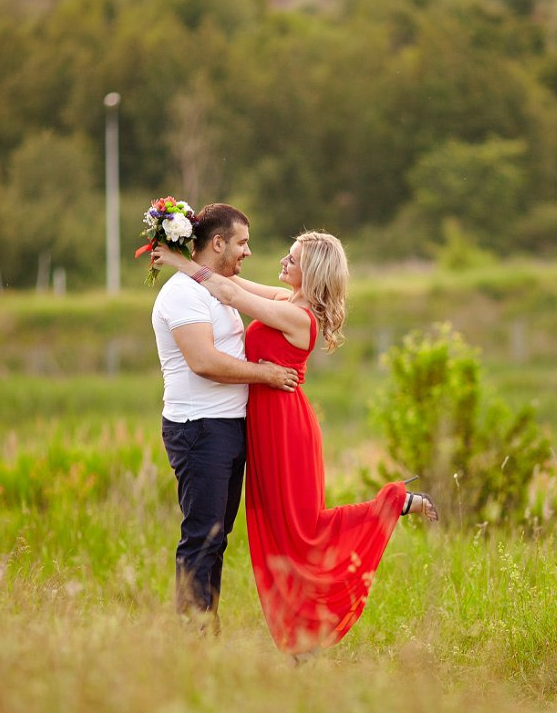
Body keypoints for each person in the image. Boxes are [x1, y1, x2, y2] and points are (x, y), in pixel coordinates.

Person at [153, 231, 438, 655]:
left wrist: (176, 259)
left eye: (293, 258)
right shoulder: (287, 302)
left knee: (302, 532)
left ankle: (394, 503)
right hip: (264, 425)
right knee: (280, 532)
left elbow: (229, 292)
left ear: (312, 272)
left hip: (287, 429)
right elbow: (236, 285)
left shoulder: (299, 318)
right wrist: (197, 267)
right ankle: (298, 635)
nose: (282, 261)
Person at [151, 203, 300, 633]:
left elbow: (282, 298)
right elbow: (204, 361)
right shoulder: (181, 294)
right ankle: (194, 634)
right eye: (242, 243)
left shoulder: (215, 287)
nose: (248, 252)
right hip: (199, 430)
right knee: (202, 537)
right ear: (217, 243)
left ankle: (205, 627)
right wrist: (267, 374)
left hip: (228, 428)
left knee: (217, 538)